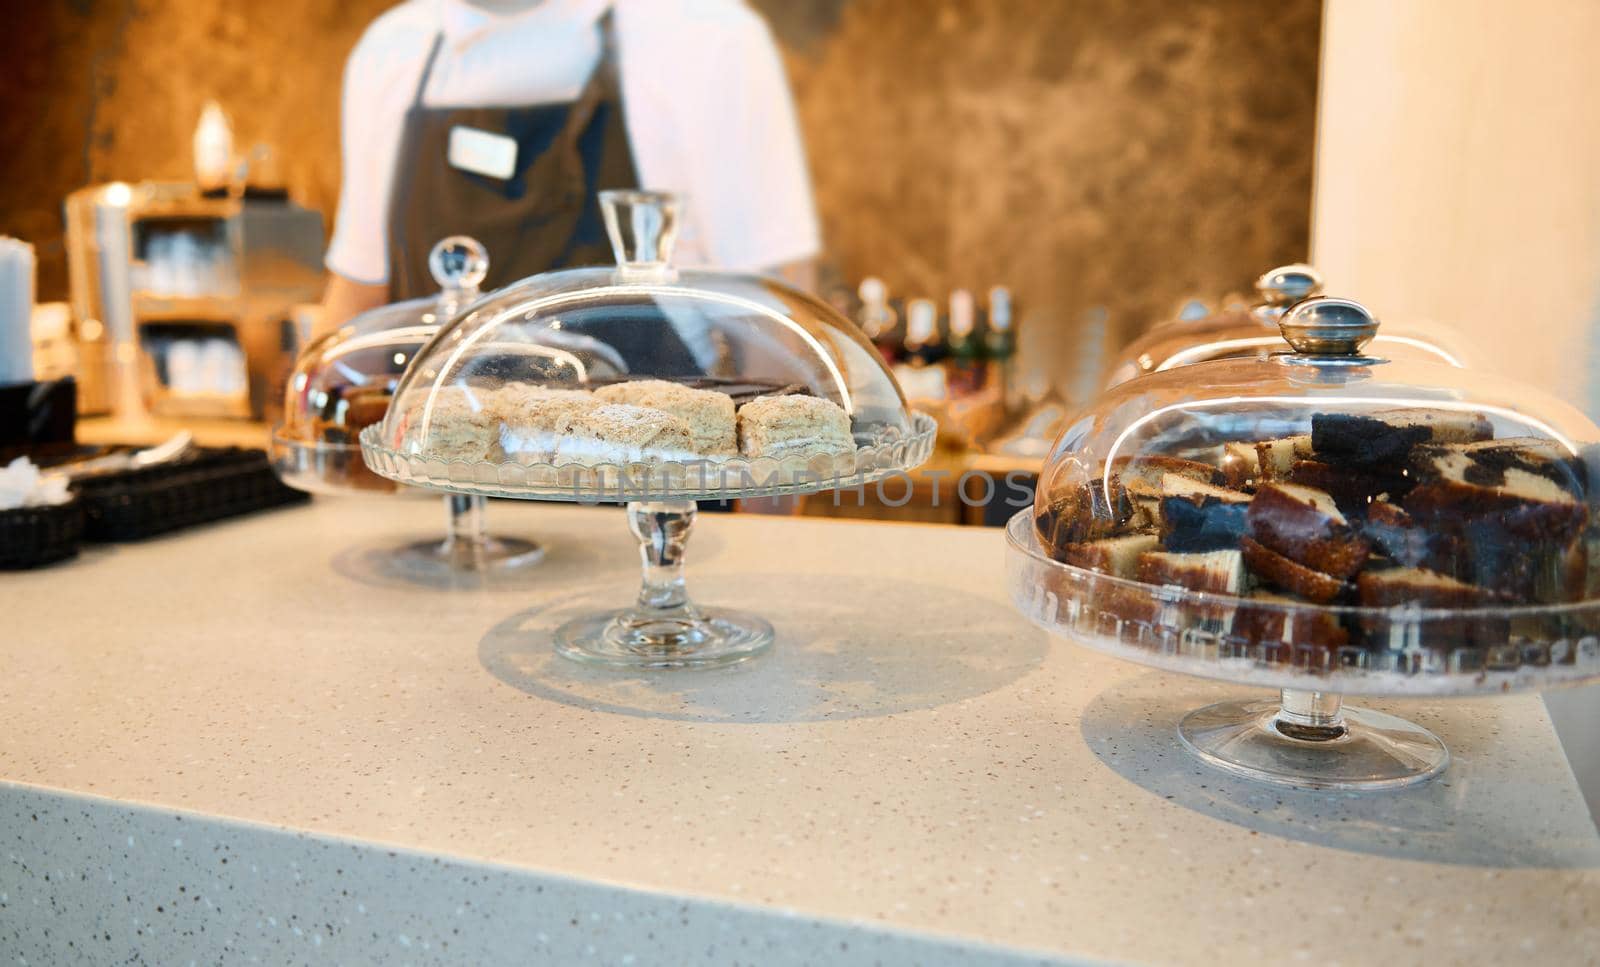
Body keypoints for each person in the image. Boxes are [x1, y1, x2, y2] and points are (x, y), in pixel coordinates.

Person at [320, 0, 820, 331]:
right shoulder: (393, 51)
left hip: (652, 479)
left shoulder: (705, 38)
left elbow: (781, 323)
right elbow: (356, 301)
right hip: (432, 483)